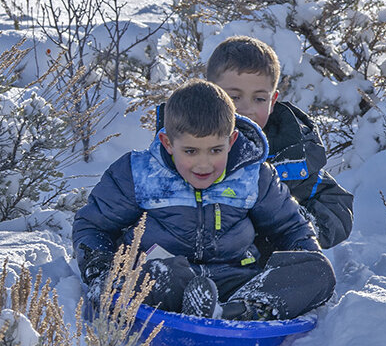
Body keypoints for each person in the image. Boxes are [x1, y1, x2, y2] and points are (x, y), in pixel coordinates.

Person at [73, 79, 335, 321]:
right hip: (164, 280)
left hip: (236, 283)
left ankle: (238, 311)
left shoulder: (253, 175)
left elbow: (291, 227)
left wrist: (298, 265)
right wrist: (100, 269)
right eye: (190, 151)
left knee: (319, 270)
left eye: (215, 150)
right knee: (157, 274)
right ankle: (200, 305)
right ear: (167, 142)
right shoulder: (139, 173)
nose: (204, 163)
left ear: (231, 140)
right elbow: (92, 225)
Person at [157, 36, 354, 251]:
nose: (246, 109)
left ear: (273, 101)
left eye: (259, 99)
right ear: (210, 92)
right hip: (191, 266)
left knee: (313, 272)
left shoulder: (289, 150)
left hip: (262, 272)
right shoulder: (180, 143)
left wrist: (290, 224)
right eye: (233, 97)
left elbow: (336, 207)